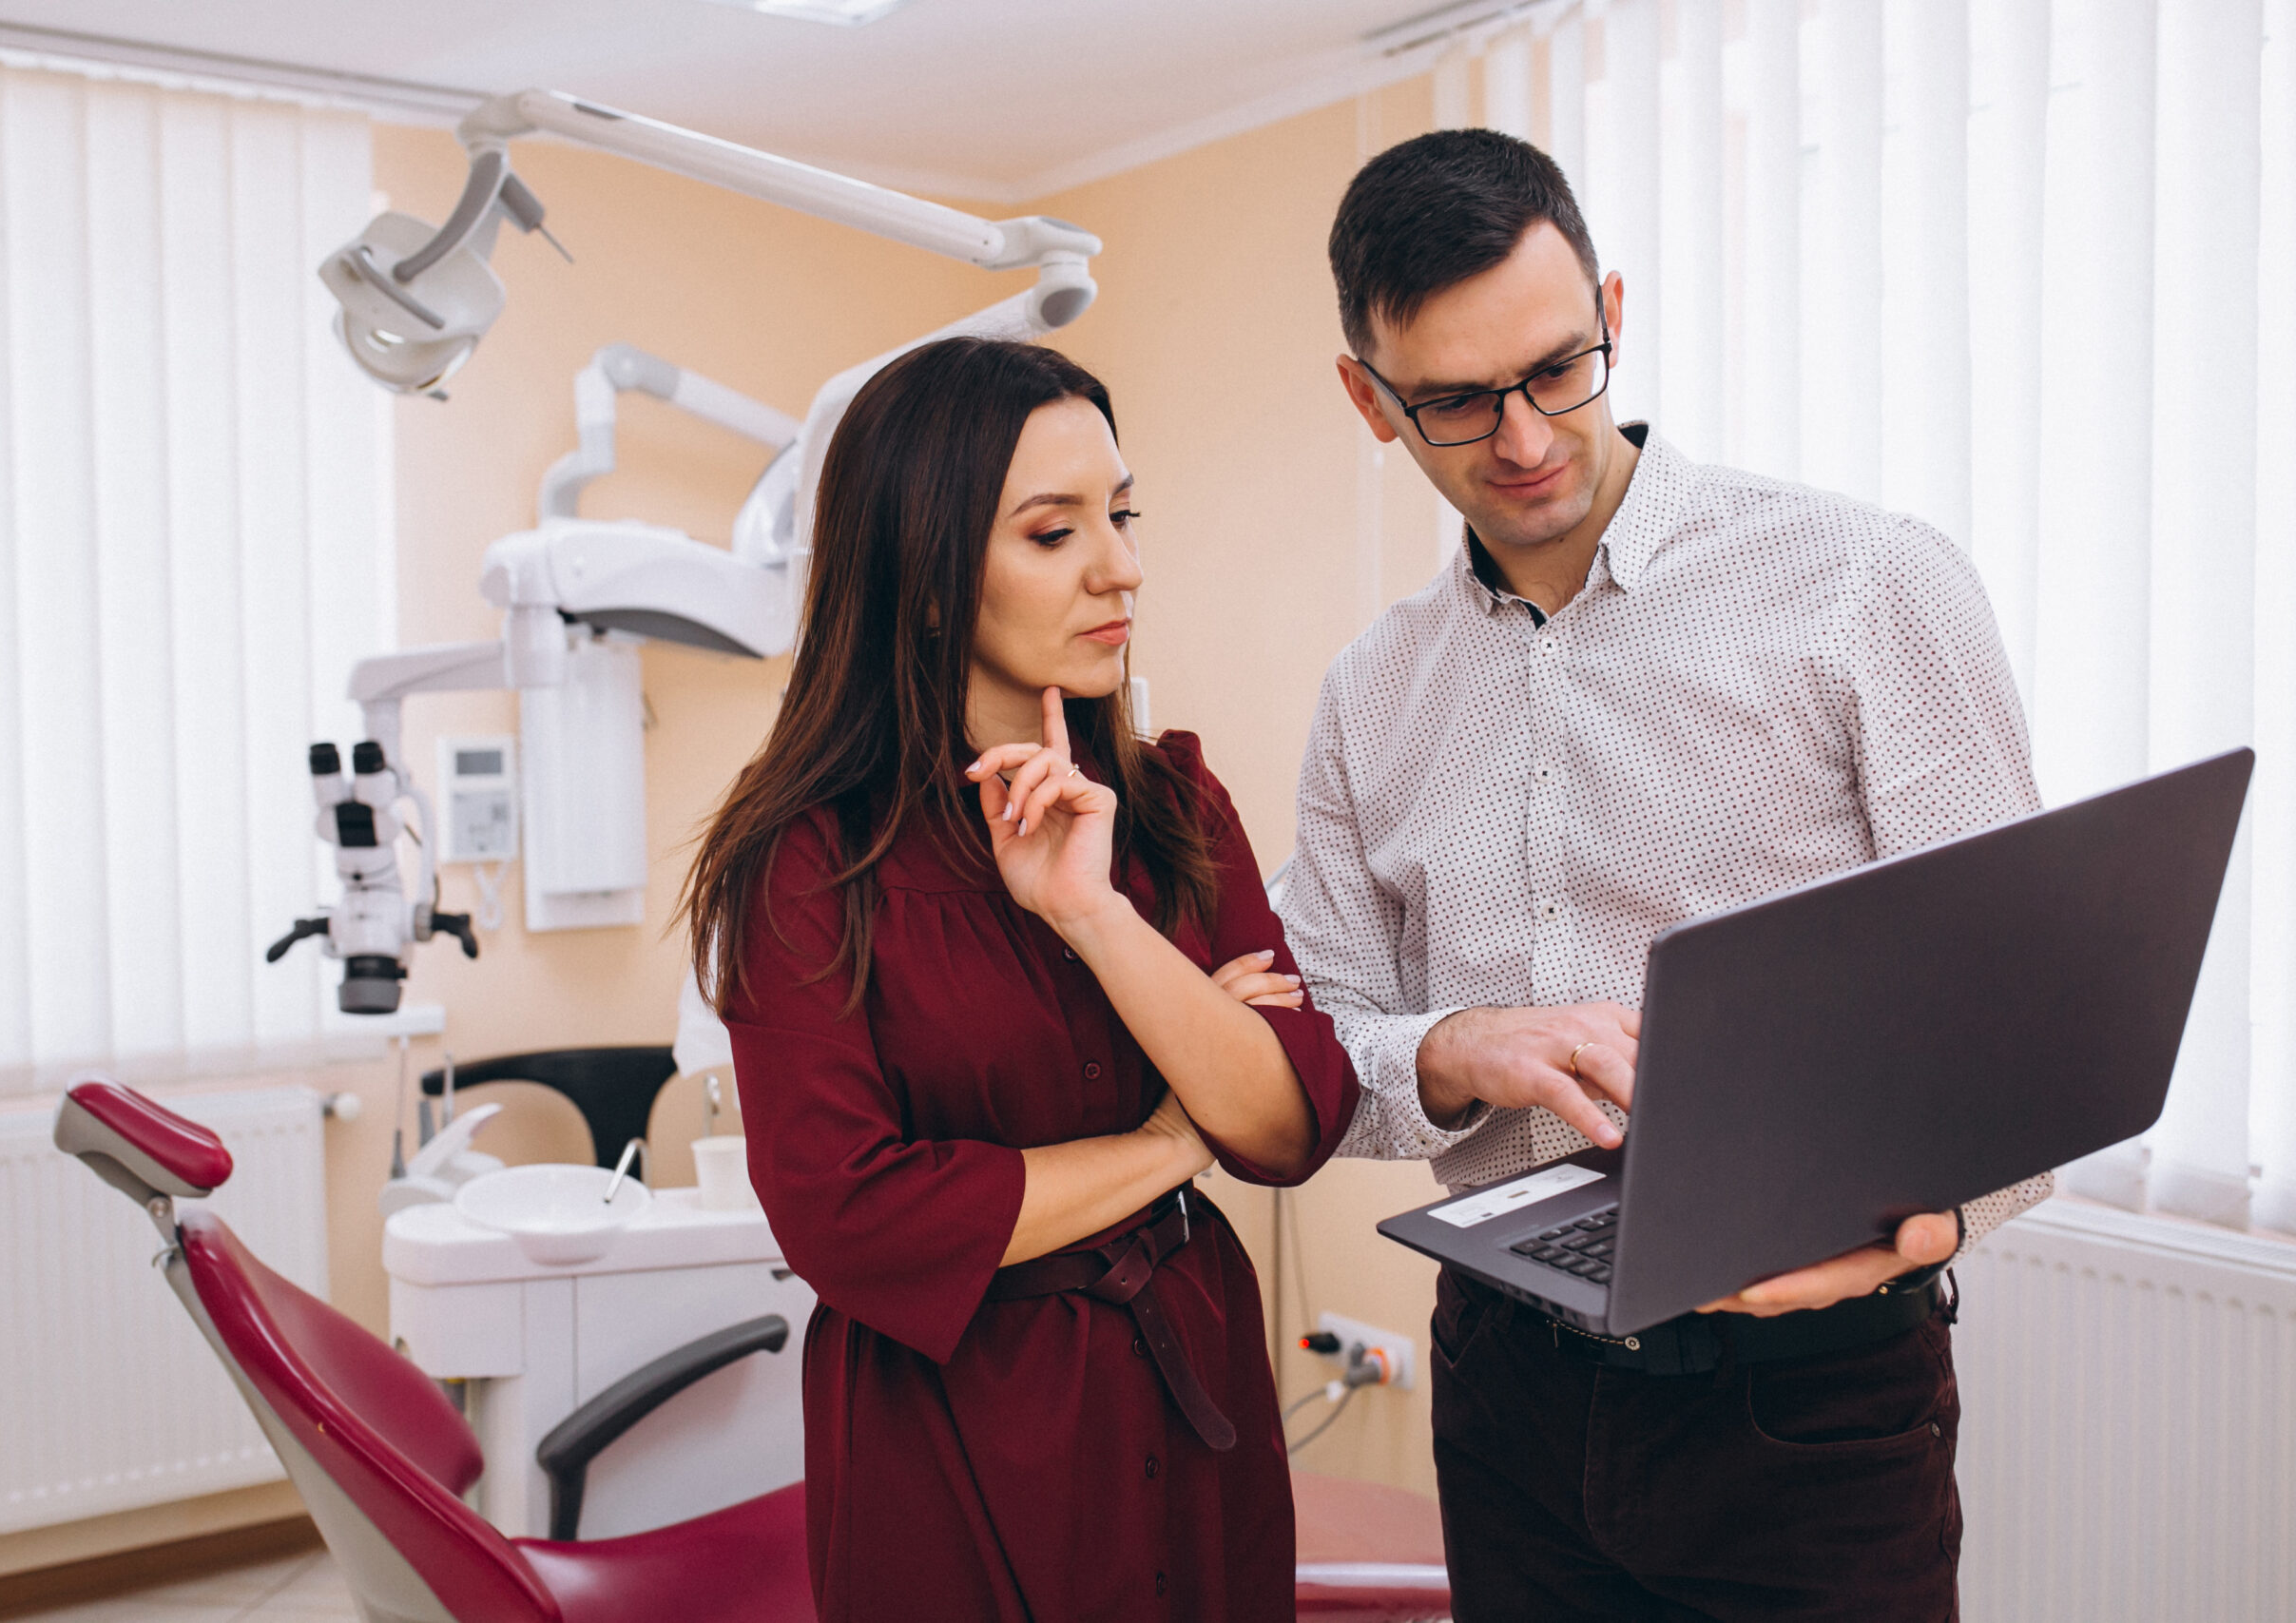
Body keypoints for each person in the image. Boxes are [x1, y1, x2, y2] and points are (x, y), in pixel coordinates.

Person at [1275, 127, 2054, 1619]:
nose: (1524, 438)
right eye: (1453, 400)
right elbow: (1316, 1054)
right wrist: (1451, 1047)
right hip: (1504, 1387)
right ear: (1368, 402)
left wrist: (1914, 1233)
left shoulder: (1867, 585)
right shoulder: (1371, 697)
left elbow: (2023, 1024)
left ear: (1612, 311)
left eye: (1561, 367)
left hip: (1812, 1402)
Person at [685, 337, 1358, 1621]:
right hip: (954, 1431)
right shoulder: (809, 864)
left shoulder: (1171, 803)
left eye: (1123, 512)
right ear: (930, 580)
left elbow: (1285, 1123)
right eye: (1056, 534)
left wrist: (1095, 916)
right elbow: (850, 1219)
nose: (1124, 565)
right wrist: (1171, 1138)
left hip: (1193, 1377)